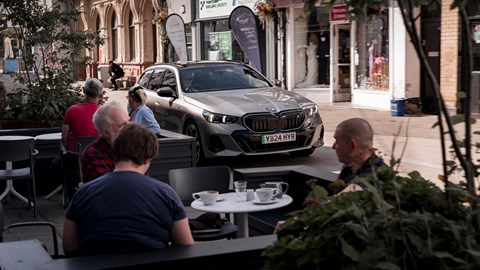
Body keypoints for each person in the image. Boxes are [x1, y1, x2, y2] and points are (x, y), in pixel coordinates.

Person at [63, 123, 194, 256]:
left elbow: (69, 247)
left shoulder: (83, 193)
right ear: (149, 157)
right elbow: (185, 245)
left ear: (114, 151)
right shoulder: (166, 194)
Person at [273, 117, 386, 233]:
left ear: (352, 145)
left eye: (337, 141)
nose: (333, 146)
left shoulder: (375, 173)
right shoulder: (349, 168)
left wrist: (297, 221)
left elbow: (344, 197)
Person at [81, 101, 130, 183]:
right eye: (123, 125)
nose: (130, 127)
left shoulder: (131, 146)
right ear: (107, 133)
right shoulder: (93, 155)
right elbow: (109, 189)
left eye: (129, 121)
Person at [61, 77, 102, 152]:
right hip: (97, 157)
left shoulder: (72, 110)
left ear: (83, 90)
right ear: (101, 95)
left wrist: (69, 151)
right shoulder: (105, 112)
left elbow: (64, 138)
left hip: (76, 156)